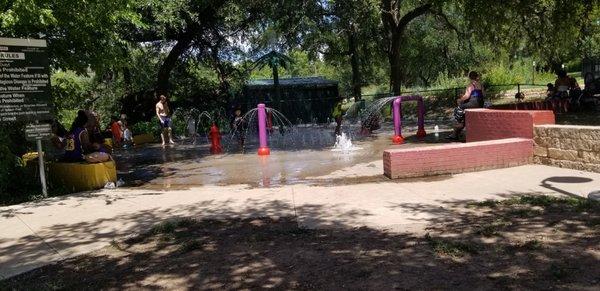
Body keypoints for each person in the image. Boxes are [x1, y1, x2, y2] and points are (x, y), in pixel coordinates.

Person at [447, 71, 485, 141]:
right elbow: (483, 95)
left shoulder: (471, 85)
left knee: (459, 108)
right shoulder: (481, 85)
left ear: (469, 77)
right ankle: (455, 133)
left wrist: (460, 100)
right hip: (480, 104)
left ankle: (459, 122)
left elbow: (467, 96)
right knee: (463, 111)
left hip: (473, 103)